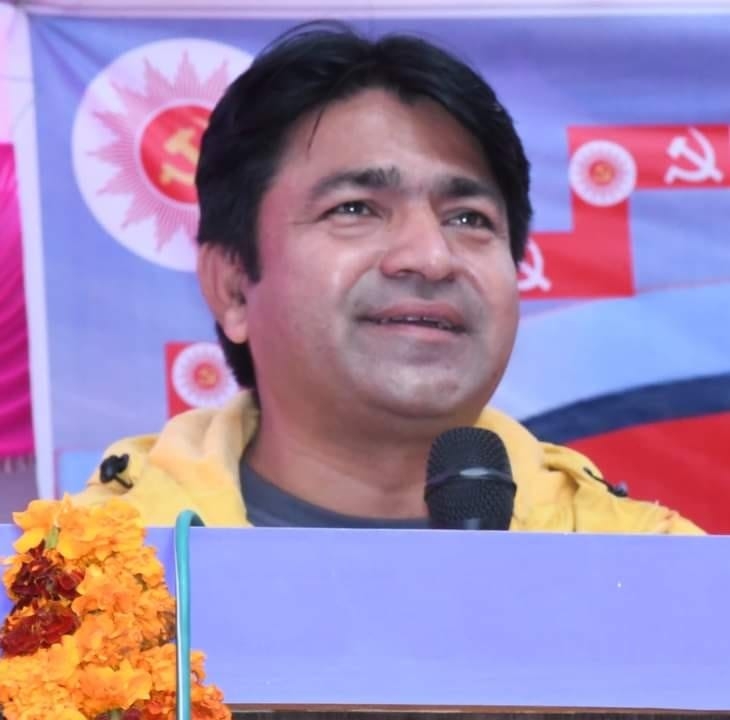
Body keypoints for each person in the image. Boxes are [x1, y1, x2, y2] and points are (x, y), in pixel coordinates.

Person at [75, 22, 702, 534]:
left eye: (468, 218)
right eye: (355, 209)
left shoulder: (651, 567)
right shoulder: (79, 582)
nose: (431, 257)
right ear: (234, 285)